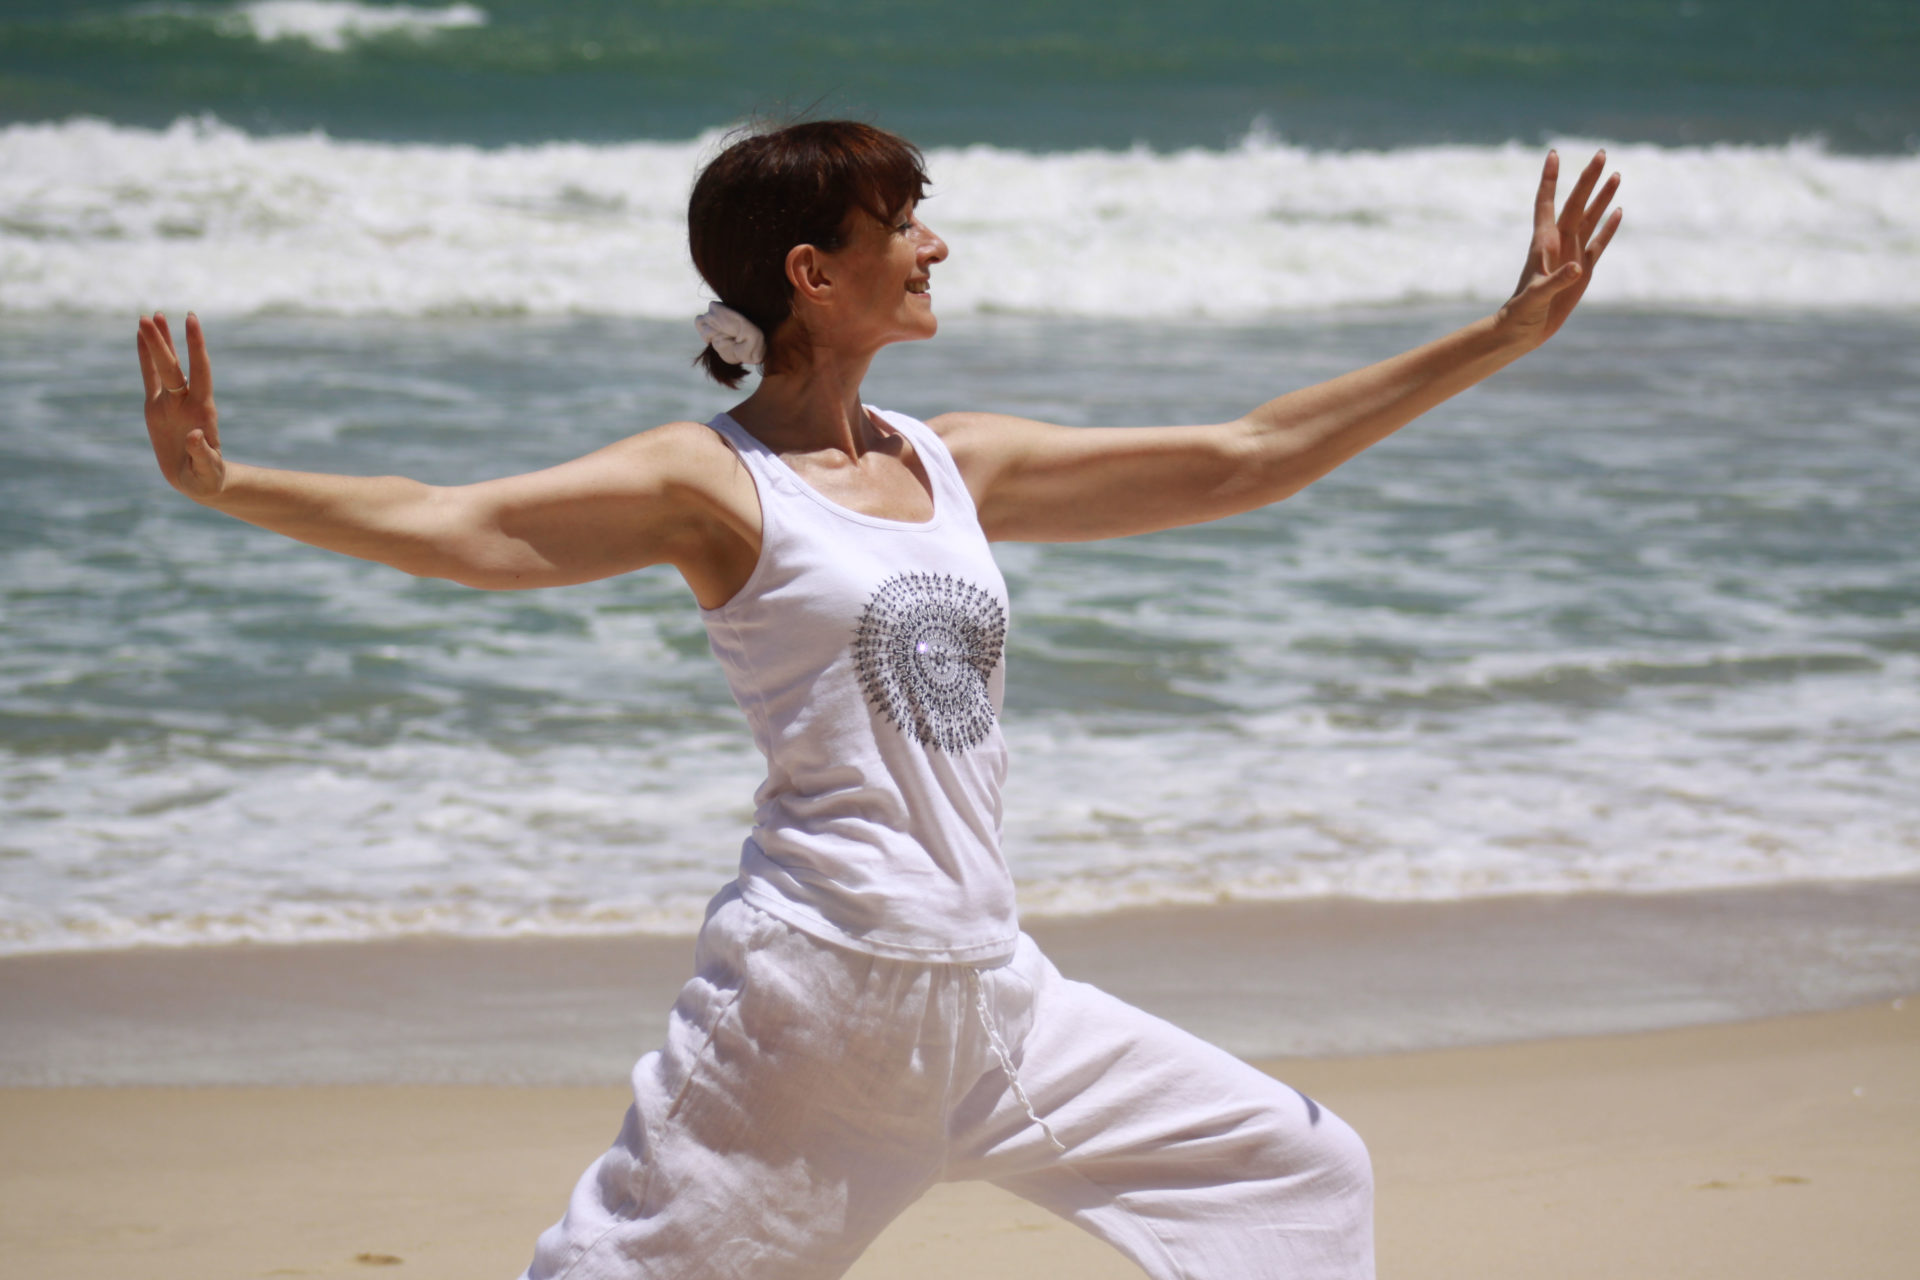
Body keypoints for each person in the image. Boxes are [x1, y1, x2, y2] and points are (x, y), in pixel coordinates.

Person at [136, 119, 1621, 1280]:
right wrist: (230, 483)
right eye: (900, 224)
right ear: (811, 272)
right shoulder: (713, 482)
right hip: (820, 1001)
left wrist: (1498, 338)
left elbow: (1244, 454)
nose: (936, 245)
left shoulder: (953, 458)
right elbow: (466, 525)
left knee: (1296, 1170)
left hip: (997, 997)